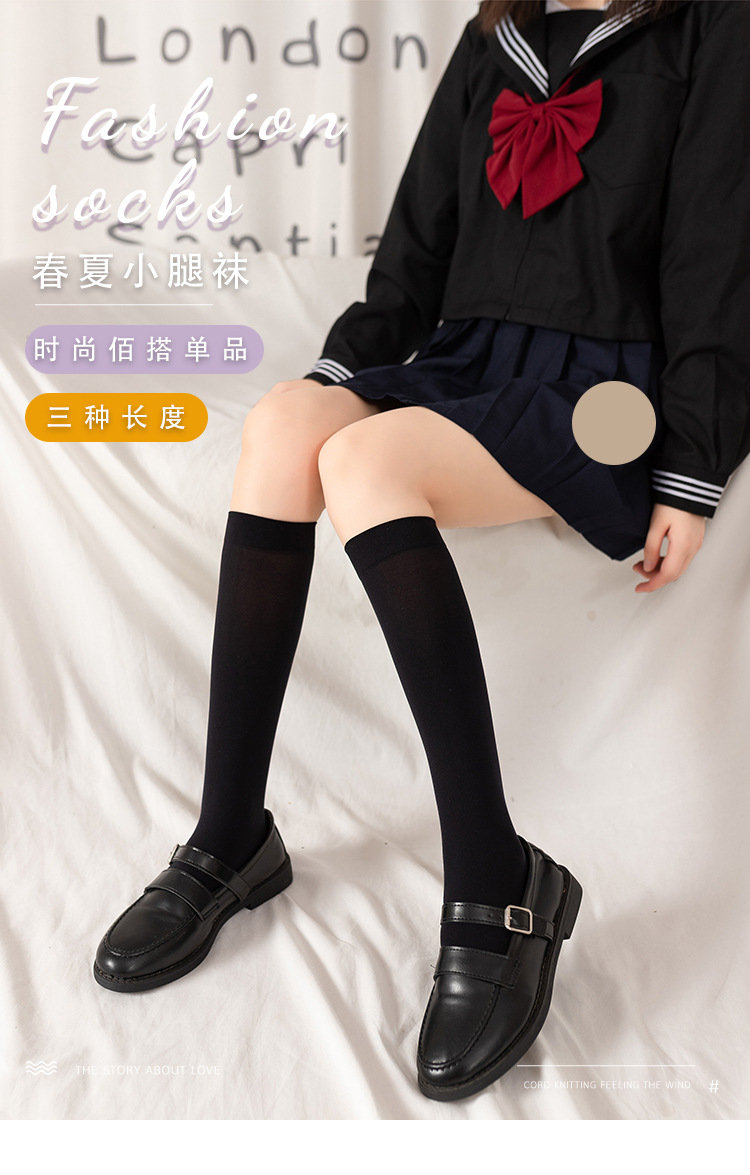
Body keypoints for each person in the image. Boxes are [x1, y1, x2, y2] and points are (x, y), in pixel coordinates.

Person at [93, 0, 750, 1103]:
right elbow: (417, 247)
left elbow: (718, 248)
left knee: (366, 464)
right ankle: (231, 830)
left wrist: (694, 460)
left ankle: (498, 874)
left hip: (607, 394)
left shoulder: (710, 27)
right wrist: (342, 372)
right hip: (472, 362)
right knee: (284, 427)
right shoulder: (496, 34)